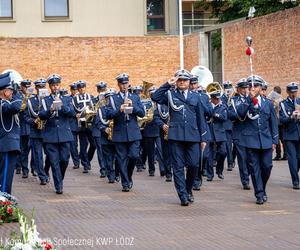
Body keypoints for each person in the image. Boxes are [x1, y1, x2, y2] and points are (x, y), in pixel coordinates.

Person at [151, 69, 208, 206]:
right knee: (177, 167)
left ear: (189, 82)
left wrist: (203, 138)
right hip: (176, 136)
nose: (182, 82)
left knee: (194, 165)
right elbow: (155, 97)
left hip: (193, 136)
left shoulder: (196, 96)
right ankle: (182, 195)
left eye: (184, 80)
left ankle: (188, 189)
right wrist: (167, 84)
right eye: (179, 80)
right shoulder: (170, 94)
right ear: (176, 82)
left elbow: (201, 118)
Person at [236, 75, 278, 204]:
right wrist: (250, 99)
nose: (253, 88)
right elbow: (240, 114)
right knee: (254, 169)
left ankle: (262, 188)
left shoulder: (268, 103)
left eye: (256, 86)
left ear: (261, 88)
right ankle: (259, 193)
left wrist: (274, 140)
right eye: (251, 86)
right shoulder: (244, 102)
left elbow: (273, 123)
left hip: (265, 140)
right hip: (250, 141)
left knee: (267, 167)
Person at [106, 73, 145, 192]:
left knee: (134, 156)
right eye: (122, 83)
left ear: (129, 83)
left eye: (126, 83)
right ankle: (125, 182)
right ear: (118, 84)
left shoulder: (135, 97)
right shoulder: (113, 98)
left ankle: (128, 175)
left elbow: (142, 113)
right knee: (121, 159)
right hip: (120, 132)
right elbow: (108, 115)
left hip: (133, 132)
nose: (124, 85)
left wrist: (133, 106)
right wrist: (119, 110)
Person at [39, 74, 75, 194]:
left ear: (60, 85)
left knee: (64, 160)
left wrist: (62, 106)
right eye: (53, 85)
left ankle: (60, 178)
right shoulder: (45, 100)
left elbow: (72, 114)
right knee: (54, 162)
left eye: (57, 85)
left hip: (65, 134)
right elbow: (41, 115)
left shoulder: (67, 98)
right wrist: (50, 110)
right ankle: (58, 185)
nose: (55, 87)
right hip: (50, 135)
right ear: (50, 86)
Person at [0, 72, 22, 194]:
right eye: (10, 90)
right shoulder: (3, 104)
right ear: (4, 92)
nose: (13, 92)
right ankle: (3, 206)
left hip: (7, 145)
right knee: (5, 180)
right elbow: (16, 107)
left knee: (4, 177)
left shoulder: (5, 104)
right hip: (6, 145)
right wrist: (18, 94)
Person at [228, 78, 251, 190]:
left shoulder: (253, 99)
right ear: (238, 89)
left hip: (252, 134)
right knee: (242, 158)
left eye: (246, 87)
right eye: (242, 88)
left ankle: (249, 174)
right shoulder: (233, 100)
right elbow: (231, 115)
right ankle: (245, 180)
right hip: (239, 133)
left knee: (251, 159)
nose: (245, 90)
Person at [279, 82, 300, 189]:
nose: (293, 94)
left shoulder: (299, 101)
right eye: (291, 92)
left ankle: (294, 173)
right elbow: (281, 120)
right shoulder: (283, 104)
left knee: (299, 158)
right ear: (287, 92)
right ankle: (295, 181)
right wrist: (291, 117)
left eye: (295, 91)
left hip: (299, 133)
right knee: (292, 159)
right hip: (289, 135)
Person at [72, 80, 95, 173]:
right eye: (80, 88)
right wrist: (75, 114)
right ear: (78, 89)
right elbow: (73, 110)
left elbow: (94, 108)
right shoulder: (74, 99)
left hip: (90, 123)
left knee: (93, 144)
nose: (82, 89)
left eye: (83, 87)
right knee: (83, 145)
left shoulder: (91, 97)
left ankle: (87, 159)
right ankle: (85, 164)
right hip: (81, 124)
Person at [207, 90, 227, 181]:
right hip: (210, 132)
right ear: (212, 99)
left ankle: (219, 170)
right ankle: (210, 174)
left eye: (218, 98)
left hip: (220, 133)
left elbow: (224, 118)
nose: (217, 100)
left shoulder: (223, 106)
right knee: (209, 155)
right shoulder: (207, 106)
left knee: (223, 152)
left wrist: (214, 114)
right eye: (215, 99)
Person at [16, 79, 33, 178]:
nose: (27, 88)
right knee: (22, 149)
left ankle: (33, 167)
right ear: (21, 87)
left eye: (28, 87)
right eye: (25, 87)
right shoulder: (17, 96)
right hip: (22, 125)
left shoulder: (34, 96)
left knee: (31, 148)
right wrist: (26, 98)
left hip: (31, 126)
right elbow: (20, 109)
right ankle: (23, 168)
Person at [68, 83, 80, 169]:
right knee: (73, 145)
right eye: (73, 90)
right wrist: (75, 114)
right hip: (73, 124)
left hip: (83, 125)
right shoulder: (69, 99)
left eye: (76, 90)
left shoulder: (82, 98)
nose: (75, 91)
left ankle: (83, 157)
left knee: (85, 144)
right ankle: (76, 162)